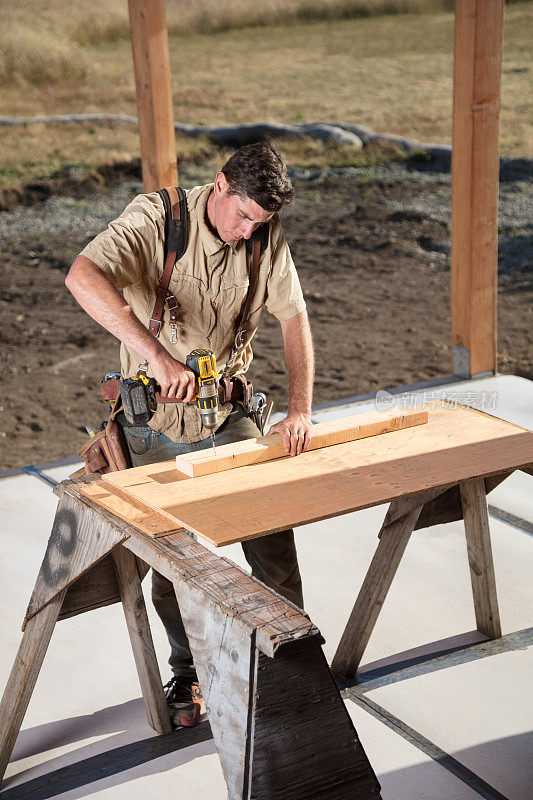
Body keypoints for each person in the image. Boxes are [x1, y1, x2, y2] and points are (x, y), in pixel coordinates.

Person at [65, 142, 314, 727]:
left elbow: (294, 316)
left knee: (273, 547)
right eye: (244, 215)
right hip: (152, 427)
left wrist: (300, 408)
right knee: (173, 570)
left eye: (262, 222)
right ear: (221, 184)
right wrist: (154, 356)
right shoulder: (157, 221)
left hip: (229, 417)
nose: (249, 231)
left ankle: (295, 669)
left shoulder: (262, 236)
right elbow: (82, 276)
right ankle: (191, 670)